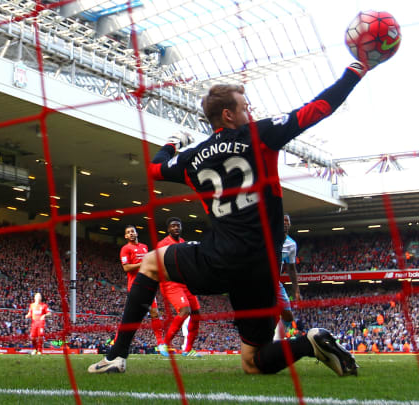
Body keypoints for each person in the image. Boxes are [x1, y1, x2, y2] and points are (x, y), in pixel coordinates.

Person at [88, 59, 375, 376]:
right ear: (228, 114)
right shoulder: (261, 135)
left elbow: (155, 169)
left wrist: (173, 143)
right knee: (255, 362)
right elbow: (318, 108)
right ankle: (308, 344)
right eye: (244, 107)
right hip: (262, 269)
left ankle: (117, 355)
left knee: (151, 264)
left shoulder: (193, 158)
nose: (249, 112)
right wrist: (354, 72)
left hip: (220, 260)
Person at [156, 217, 203, 357]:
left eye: (178, 226)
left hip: (185, 283)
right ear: (168, 229)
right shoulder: (163, 244)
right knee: (185, 310)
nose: (176, 228)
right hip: (171, 283)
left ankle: (188, 349)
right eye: (173, 226)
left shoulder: (183, 243)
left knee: (196, 315)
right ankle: (165, 344)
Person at [119, 225, 167, 354]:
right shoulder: (125, 249)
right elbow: (126, 268)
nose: (131, 234)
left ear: (136, 233)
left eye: (132, 231)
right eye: (128, 232)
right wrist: (144, 263)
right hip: (134, 287)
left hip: (148, 284)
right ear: (126, 236)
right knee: (130, 318)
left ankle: (161, 343)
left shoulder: (144, 247)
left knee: (155, 313)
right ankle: (117, 343)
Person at [274, 214, 300, 341]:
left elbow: (291, 268)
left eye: (287, 221)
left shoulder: (291, 244)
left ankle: (276, 339)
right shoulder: (269, 238)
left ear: (290, 224)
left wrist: (296, 290)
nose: (285, 223)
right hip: (260, 281)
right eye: (282, 220)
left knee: (288, 316)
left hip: (275, 283)